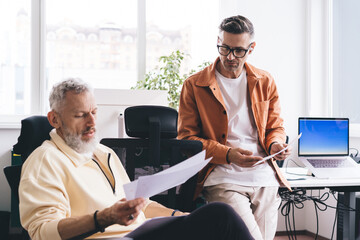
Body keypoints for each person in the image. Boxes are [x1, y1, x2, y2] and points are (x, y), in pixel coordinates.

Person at [18, 78, 254, 240]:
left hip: (140, 232)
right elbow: (42, 232)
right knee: (221, 216)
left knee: (212, 218)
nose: (91, 123)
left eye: (94, 112)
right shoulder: (45, 161)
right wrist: (105, 218)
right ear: (54, 119)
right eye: (80, 115)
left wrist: (179, 216)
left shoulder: (104, 153)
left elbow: (140, 206)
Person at [178, 15, 292, 240]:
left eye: (238, 50)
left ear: (251, 48)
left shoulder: (265, 81)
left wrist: (276, 143)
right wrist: (228, 155)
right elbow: (186, 141)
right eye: (224, 48)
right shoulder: (194, 85)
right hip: (223, 177)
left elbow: (274, 126)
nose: (230, 56)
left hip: (264, 176)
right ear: (218, 42)